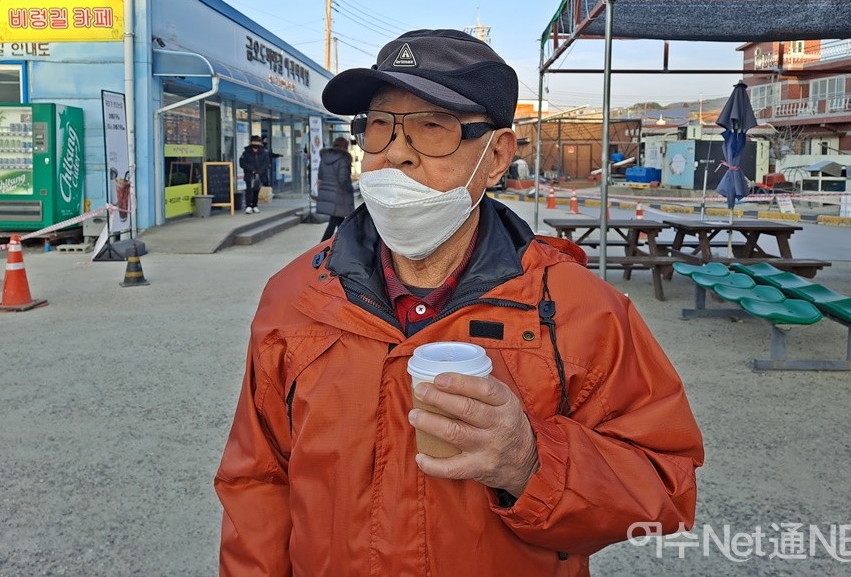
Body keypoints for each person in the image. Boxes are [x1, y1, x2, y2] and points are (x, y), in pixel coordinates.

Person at [215, 29, 704, 576]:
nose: (395, 153)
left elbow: (667, 484)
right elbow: (257, 481)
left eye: (433, 126)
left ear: (496, 156)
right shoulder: (294, 299)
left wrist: (532, 461)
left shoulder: (578, 311)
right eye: (378, 126)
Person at [316, 136, 354, 241]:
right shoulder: (342, 159)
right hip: (340, 195)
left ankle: (343, 242)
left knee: (339, 221)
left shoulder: (325, 157)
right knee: (335, 222)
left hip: (329, 194)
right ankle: (323, 245)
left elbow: (321, 175)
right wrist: (350, 189)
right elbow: (343, 179)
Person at [239, 135, 270, 214]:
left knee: (257, 190)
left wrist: (259, 171)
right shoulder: (246, 152)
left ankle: (255, 205)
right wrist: (252, 170)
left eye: (257, 142)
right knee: (249, 190)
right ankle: (248, 206)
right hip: (249, 174)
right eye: (254, 142)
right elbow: (242, 163)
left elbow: (266, 164)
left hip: (259, 175)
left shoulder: (263, 152)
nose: (256, 144)